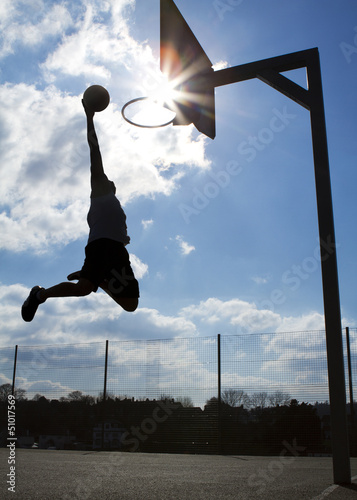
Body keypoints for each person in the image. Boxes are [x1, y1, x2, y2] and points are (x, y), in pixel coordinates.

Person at [21, 101, 139, 322]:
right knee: (83, 289)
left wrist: (123, 238)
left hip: (115, 251)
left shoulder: (114, 205)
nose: (110, 180)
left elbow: (108, 226)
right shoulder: (100, 190)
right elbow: (94, 149)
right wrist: (89, 118)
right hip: (101, 248)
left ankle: (97, 279)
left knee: (131, 305)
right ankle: (39, 295)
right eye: (106, 179)